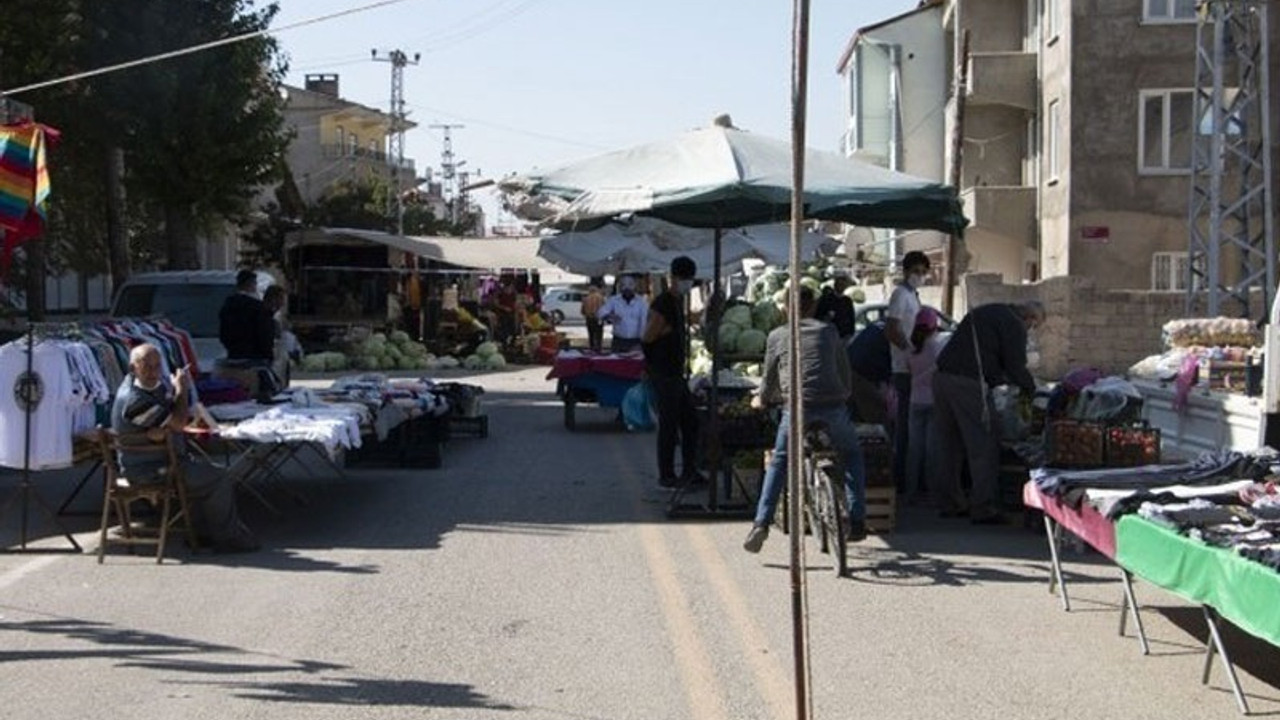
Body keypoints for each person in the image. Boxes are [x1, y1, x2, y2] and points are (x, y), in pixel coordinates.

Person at [743, 286, 868, 552]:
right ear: (812, 307)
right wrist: (843, 395)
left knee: (780, 460)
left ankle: (760, 524)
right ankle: (857, 520)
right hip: (833, 405)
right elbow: (844, 372)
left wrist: (763, 400)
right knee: (852, 455)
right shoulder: (829, 331)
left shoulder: (777, 336)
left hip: (797, 408)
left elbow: (769, 381)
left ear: (785, 307)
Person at [112, 343, 259, 554]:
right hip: (149, 470)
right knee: (218, 477)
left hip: (163, 461)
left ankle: (200, 534)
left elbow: (171, 420)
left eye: (157, 366)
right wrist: (181, 389)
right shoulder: (134, 399)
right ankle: (229, 538)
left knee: (203, 473)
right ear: (133, 367)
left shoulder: (145, 385)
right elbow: (179, 422)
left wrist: (166, 425)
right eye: (146, 367)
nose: (153, 372)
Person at [931, 301, 1044, 524]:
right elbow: (1015, 364)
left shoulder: (991, 311)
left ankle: (950, 501)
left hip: (942, 378)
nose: (1031, 330)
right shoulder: (1014, 324)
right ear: (1029, 317)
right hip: (968, 382)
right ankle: (983, 507)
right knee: (984, 442)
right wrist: (1031, 389)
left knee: (949, 444)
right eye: (1034, 325)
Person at [642, 257, 703, 488]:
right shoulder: (663, 303)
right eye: (684, 279)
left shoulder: (679, 302)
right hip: (664, 373)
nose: (687, 283)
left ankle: (689, 470)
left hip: (676, 373)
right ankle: (666, 475)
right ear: (673, 278)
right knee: (669, 425)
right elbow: (648, 337)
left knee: (691, 422)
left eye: (690, 279)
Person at [885, 250, 930, 495]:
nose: (920, 276)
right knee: (905, 427)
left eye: (923, 272)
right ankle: (902, 480)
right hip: (903, 368)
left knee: (913, 428)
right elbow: (891, 329)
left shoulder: (914, 296)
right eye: (916, 272)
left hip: (915, 369)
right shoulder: (900, 295)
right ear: (905, 272)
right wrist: (909, 351)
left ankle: (910, 480)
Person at [904, 306, 949, 505]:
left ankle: (910, 491)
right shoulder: (939, 345)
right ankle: (932, 492)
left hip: (915, 401)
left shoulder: (910, 348)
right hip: (934, 402)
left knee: (914, 450)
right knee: (933, 451)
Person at [219, 269, 274, 363]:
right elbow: (264, 334)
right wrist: (268, 354)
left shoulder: (228, 305)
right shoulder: (257, 307)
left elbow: (223, 332)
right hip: (254, 357)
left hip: (233, 355)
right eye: (255, 283)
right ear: (251, 284)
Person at [845, 320, 892, 425]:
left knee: (855, 414)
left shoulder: (879, 324)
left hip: (850, 365)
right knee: (876, 416)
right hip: (863, 372)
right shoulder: (895, 333)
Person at [600, 276, 648, 353]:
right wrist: (609, 316)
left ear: (634, 287)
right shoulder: (614, 300)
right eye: (624, 286)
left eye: (630, 286)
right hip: (618, 341)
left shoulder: (641, 302)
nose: (627, 289)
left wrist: (641, 342)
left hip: (635, 341)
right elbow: (600, 312)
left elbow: (644, 323)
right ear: (621, 288)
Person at [580, 282, 606, 352]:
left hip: (589, 319)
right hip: (599, 319)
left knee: (591, 334)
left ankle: (592, 348)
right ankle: (599, 349)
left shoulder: (586, 299)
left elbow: (582, 311)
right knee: (599, 335)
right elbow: (605, 309)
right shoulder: (601, 298)